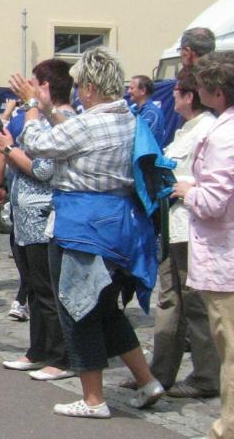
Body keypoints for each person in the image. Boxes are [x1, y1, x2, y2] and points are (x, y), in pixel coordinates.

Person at [16, 46, 164, 418]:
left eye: (82, 85)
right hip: (119, 224)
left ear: (91, 87)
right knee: (106, 310)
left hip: (82, 226)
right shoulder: (128, 118)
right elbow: (74, 136)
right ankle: (147, 381)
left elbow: (36, 145)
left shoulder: (89, 124)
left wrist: (32, 107)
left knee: (77, 308)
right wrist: (48, 109)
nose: (79, 91)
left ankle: (93, 399)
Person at [119, 73, 220, 399]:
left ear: (189, 96)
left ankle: (206, 376)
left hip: (190, 226)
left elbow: (204, 178)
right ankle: (159, 372)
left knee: (194, 303)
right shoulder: (187, 129)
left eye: (176, 92)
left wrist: (178, 183)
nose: (171, 97)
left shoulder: (207, 130)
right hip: (172, 224)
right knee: (169, 299)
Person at [0, 58, 75, 382]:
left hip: (42, 216)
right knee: (34, 289)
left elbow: (43, 169)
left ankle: (61, 357)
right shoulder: (41, 119)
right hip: (25, 217)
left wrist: (8, 148)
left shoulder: (63, 120)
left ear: (45, 87)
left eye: (32, 83)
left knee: (48, 291)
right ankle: (38, 350)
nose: (26, 90)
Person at [173, 52, 234, 439]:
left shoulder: (224, 135)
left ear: (217, 92)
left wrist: (188, 190)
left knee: (230, 351)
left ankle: (227, 437)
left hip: (225, 258)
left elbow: (213, 202)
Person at [128, 75, 166, 148]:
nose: (128, 91)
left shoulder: (153, 114)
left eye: (131, 88)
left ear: (143, 91)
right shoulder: (132, 109)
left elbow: (148, 144)